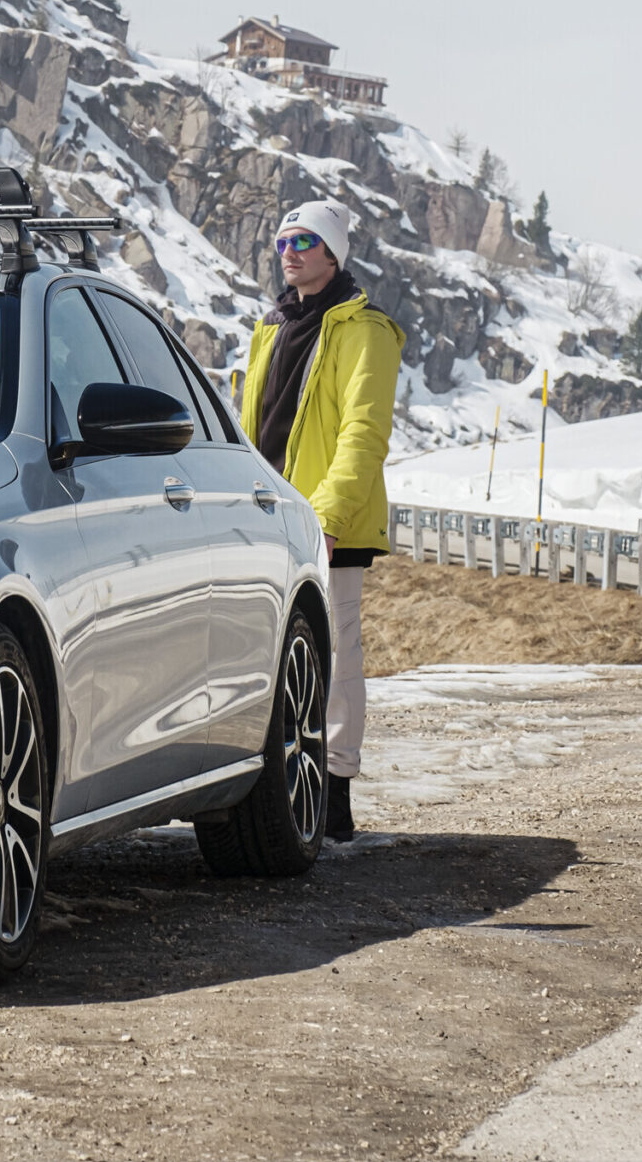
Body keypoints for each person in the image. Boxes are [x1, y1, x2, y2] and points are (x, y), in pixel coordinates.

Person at [238, 199, 404, 842]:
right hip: (269, 515)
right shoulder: (272, 325)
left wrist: (327, 517)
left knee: (336, 651)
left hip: (328, 522)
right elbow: (251, 426)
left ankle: (334, 788)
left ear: (334, 253)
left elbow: (364, 433)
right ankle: (276, 779)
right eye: (283, 241)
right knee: (275, 650)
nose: (290, 251)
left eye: (304, 241)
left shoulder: (366, 329)